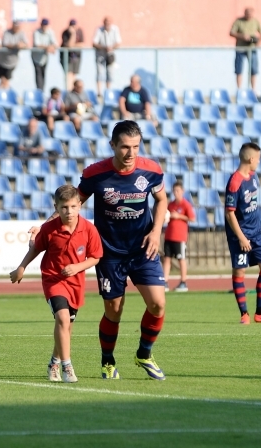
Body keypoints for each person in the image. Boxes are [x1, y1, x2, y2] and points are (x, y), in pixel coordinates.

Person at [29, 121, 169, 381]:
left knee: (158, 304)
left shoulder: (151, 170)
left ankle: (144, 353)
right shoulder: (96, 174)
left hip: (142, 249)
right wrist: (44, 226)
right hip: (110, 253)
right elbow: (72, 203)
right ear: (112, 145)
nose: (131, 153)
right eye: (125, 147)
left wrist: (156, 231)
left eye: (136, 147)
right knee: (114, 310)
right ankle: (107, 361)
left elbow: (162, 199)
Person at [10, 184, 103, 383]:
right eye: (63, 207)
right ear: (56, 207)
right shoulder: (50, 229)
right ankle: (67, 367)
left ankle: (54, 362)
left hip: (75, 283)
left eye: (72, 207)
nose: (68, 211)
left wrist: (77, 267)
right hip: (53, 280)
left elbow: (95, 257)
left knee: (67, 325)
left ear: (80, 205)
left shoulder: (89, 229)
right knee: (62, 318)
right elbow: (36, 249)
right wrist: (21, 267)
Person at [225, 142, 261, 325]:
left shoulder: (253, 176)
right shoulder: (235, 182)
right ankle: (244, 314)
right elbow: (229, 213)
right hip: (240, 235)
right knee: (239, 271)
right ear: (251, 159)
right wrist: (241, 237)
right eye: (258, 158)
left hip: (257, 233)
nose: (259, 162)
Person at [163, 182, 195, 293]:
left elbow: (192, 218)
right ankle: (165, 281)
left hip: (180, 237)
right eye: (174, 190)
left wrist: (179, 216)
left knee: (181, 259)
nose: (176, 193)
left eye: (178, 190)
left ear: (182, 191)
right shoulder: (170, 205)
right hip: (169, 235)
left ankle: (183, 281)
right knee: (167, 259)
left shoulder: (186, 204)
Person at [230, 7, 261, 90]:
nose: (249, 15)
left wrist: (258, 43)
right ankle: (239, 89)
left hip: (252, 49)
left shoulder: (255, 22)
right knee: (238, 69)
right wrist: (242, 37)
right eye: (247, 13)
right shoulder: (238, 21)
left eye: (250, 14)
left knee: (253, 69)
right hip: (241, 48)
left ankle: (253, 90)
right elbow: (231, 32)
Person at [93, 16, 121, 98]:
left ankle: (108, 92)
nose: (107, 24)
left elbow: (118, 42)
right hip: (100, 55)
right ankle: (99, 92)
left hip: (110, 55)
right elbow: (94, 43)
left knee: (110, 73)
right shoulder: (99, 30)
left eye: (109, 22)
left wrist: (111, 47)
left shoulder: (115, 29)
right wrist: (104, 47)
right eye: (106, 22)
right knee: (100, 73)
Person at [0, 21, 28, 90]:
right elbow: (5, 44)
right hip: (2, 60)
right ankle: (2, 92)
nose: (17, 29)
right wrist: (16, 45)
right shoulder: (7, 32)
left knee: (7, 78)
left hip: (12, 61)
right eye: (15, 27)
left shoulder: (22, 33)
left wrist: (22, 45)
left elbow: (26, 44)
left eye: (18, 27)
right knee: (2, 78)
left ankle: (5, 92)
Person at [32, 18, 57, 91]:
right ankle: (39, 91)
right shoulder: (36, 32)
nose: (44, 27)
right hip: (36, 57)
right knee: (38, 74)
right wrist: (48, 47)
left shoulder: (50, 32)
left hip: (44, 57)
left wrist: (51, 47)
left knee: (43, 74)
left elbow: (55, 43)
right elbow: (37, 44)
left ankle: (42, 91)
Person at [60, 19, 84, 90]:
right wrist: (73, 34)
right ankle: (69, 90)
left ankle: (74, 89)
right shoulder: (65, 33)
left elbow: (82, 44)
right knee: (68, 75)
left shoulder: (80, 32)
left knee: (74, 75)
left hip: (76, 56)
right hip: (67, 57)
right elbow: (69, 45)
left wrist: (73, 45)